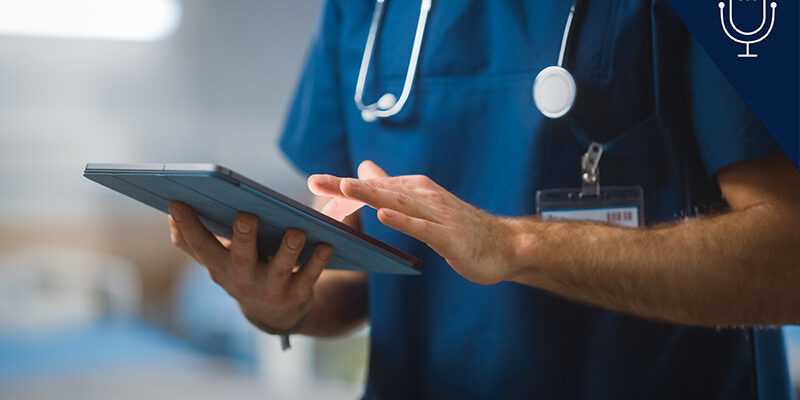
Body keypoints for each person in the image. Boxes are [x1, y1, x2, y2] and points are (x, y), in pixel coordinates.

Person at [167, 0, 800, 398]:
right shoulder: (362, 10)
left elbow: (787, 257)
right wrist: (280, 303)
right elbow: (371, 279)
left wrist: (514, 246)